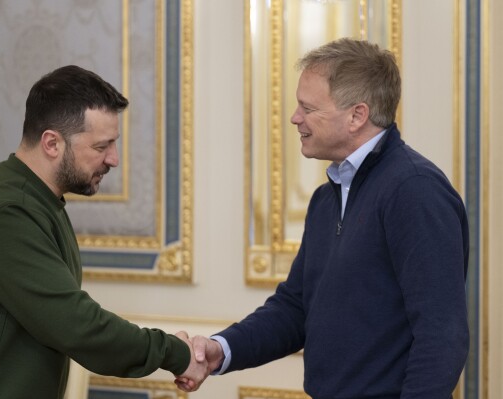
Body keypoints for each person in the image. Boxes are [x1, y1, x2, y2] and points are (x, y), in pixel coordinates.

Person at [178, 38, 470, 398]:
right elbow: (295, 309)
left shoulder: (415, 190)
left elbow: (442, 335)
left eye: (307, 107)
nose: (294, 118)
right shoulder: (326, 197)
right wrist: (221, 350)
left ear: (356, 116)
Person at [0, 65, 207, 399]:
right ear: (52, 143)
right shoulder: (9, 212)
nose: (113, 159)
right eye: (101, 147)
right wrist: (174, 352)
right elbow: (78, 326)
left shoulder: (38, 200)